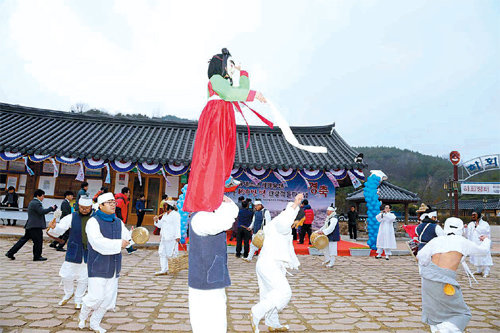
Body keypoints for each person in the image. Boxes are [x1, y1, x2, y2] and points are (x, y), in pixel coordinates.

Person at [183, 48, 267, 213]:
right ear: (221, 64)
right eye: (230, 63)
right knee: (213, 157)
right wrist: (254, 94)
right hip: (215, 118)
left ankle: (216, 193)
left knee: (224, 157)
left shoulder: (225, 85)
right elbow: (229, 93)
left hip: (225, 119)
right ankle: (207, 198)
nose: (231, 67)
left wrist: (243, 73)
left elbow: (238, 92)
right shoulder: (215, 79)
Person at [417, 217, 491, 333]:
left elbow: (420, 256)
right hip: (444, 280)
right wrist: (486, 240)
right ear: (461, 228)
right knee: (462, 314)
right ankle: (445, 330)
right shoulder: (462, 241)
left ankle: (439, 329)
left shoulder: (436, 240)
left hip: (428, 278)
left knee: (434, 311)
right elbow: (483, 251)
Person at [78, 192, 132, 333]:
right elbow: (97, 242)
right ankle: (83, 314)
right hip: (98, 264)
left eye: (114, 202)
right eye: (109, 202)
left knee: (108, 298)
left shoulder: (118, 222)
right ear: (101, 205)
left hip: (114, 264)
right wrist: (119, 243)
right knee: (96, 296)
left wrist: (133, 237)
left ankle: (95, 323)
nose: (113, 204)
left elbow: (127, 237)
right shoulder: (93, 221)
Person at [250, 193, 303, 333]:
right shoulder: (282, 223)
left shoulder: (277, 223)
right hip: (270, 264)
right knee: (284, 292)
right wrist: (296, 204)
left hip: (267, 263)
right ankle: (257, 311)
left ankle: (272, 322)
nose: (296, 223)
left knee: (270, 294)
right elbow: (285, 220)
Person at [188, 195, 239, 333]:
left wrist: (225, 201)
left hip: (210, 278)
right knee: (211, 325)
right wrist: (225, 202)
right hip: (205, 282)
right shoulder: (201, 218)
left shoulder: (206, 216)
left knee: (215, 323)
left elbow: (230, 215)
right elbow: (227, 221)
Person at [47, 196, 93, 309]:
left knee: (84, 277)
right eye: (82, 208)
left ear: (91, 207)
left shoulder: (96, 218)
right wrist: (54, 228)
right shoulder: (71, 217)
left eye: (87, 208)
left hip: (90, 251)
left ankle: (79, 299)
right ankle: (68, 293)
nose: (85, 210)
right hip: (74, 249)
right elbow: (60, 229)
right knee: (66, 274)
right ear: (78, 206)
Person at [5, 189, 56, 261]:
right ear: (38, 196)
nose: (43, 198)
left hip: (31, 225)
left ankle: (10, 252)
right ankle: (37, 256)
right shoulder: (36, 203)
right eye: (42, 196)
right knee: (38, 241)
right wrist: (51, 208)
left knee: (23, 240)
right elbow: (42, 211)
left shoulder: (33, 202)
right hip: (35, 226)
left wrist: (51, 209)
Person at [153, 198, 180, 275]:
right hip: (164, 237)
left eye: (165, 205)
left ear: (170, 206)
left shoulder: (176, 215)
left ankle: (173, 268)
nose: (164, 207)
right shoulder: (165, 215)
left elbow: (177, 226)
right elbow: (160, 225)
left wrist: (178, 236)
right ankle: (163, 269)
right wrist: (156, 220)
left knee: (172, 253)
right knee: (162, 252)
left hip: (172, 237)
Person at [466, 207, 493, 278]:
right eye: (472, 214)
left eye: (474, 214)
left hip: (482, 243)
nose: (473, 216)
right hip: (474, 243)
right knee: (476, 257)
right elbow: (468, 234)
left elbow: (487, 233)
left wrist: (478, 228)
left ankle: (486, 271)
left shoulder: (485, 224)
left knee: (485, 257)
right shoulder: (471, 224)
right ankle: (479, 270)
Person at [115, 187, 136, 254]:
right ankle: (129, 248)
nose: (129, 194)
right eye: (129, 192)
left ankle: (129, 249)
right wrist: (120, 219)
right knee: (125, 234)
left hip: (120, 220)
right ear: (125, 193)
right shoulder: (120, 200)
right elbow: (117, 210)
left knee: (123, 234)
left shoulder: (124, 200)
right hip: (118, 220)